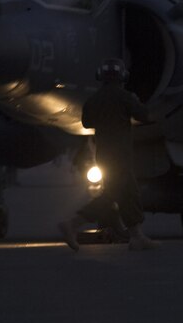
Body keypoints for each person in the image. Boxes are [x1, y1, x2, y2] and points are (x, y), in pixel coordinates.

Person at [58, 57, 159, 251]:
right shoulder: (125, 97)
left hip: (104, 155)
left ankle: (137, 236)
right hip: (121, 155)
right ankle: (72, 224)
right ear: (122, 76)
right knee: (112, 196)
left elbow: (87, 123)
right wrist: (137, 103)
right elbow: (145, 116)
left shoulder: (93, 100)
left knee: (130, 194)